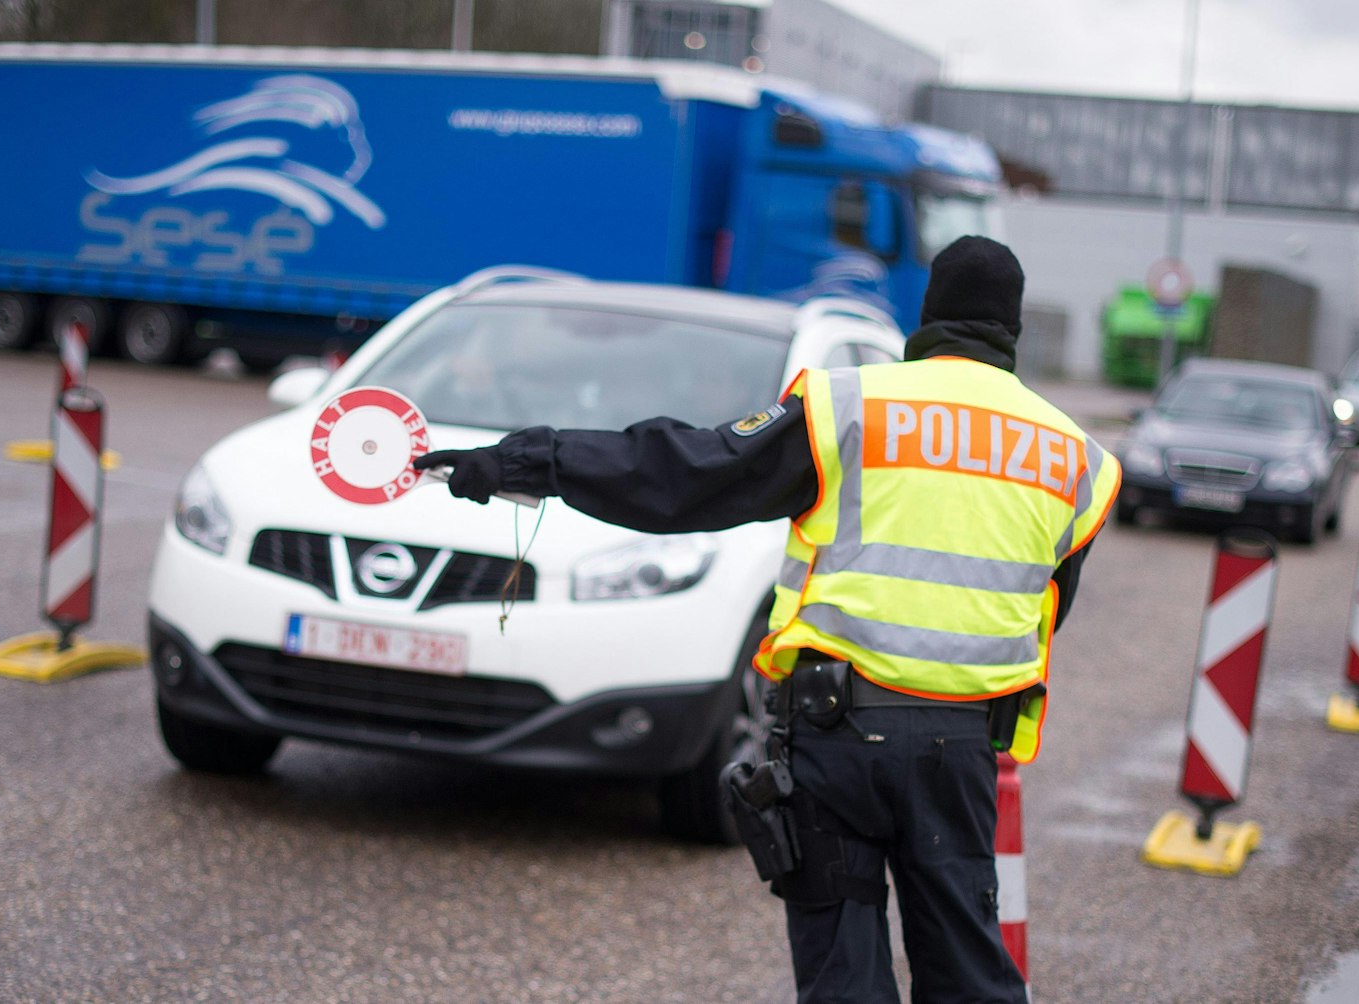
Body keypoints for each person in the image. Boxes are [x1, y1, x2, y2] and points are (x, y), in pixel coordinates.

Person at [415, 236, 1121, 1003]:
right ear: (1011, 329)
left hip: (837, 736)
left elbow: (683, 477)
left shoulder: (848, 404)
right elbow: (1044, 609)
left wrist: (528, 462)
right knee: (967, 975)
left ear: (929, 315)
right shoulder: (1074, 457)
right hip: (959, 754)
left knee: (842, 978)